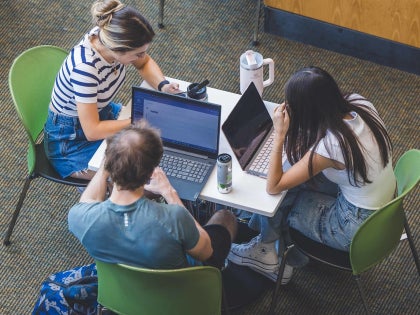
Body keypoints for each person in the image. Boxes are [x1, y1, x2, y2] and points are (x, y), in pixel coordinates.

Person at [227, 66, 396, 284]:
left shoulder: (332, 146)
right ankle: (276, 247)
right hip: (384, 209)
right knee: (295, 178)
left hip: (353, 227)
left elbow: (274, 185)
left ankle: (268, 252)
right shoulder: (360, 104)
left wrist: (279, 135)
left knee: (278, 198)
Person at [68, 120, 238, 270]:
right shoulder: (175, 217)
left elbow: (87, 201)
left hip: (123, 293)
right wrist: (169, 193)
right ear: (151, 171)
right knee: (225, 217)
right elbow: (206, 251)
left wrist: (107, 164)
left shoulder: (80, 217)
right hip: (180, 291)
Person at [44, 0, 180, 181]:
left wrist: (163, 85)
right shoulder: (85, 68)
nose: (142, 56)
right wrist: (138, 122)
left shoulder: (108, 38)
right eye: (137, 53)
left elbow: (144, 62)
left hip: (101, 113)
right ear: (118, 49)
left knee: (156, 145)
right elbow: (92, 130)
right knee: (143, 177)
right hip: (71, 140)